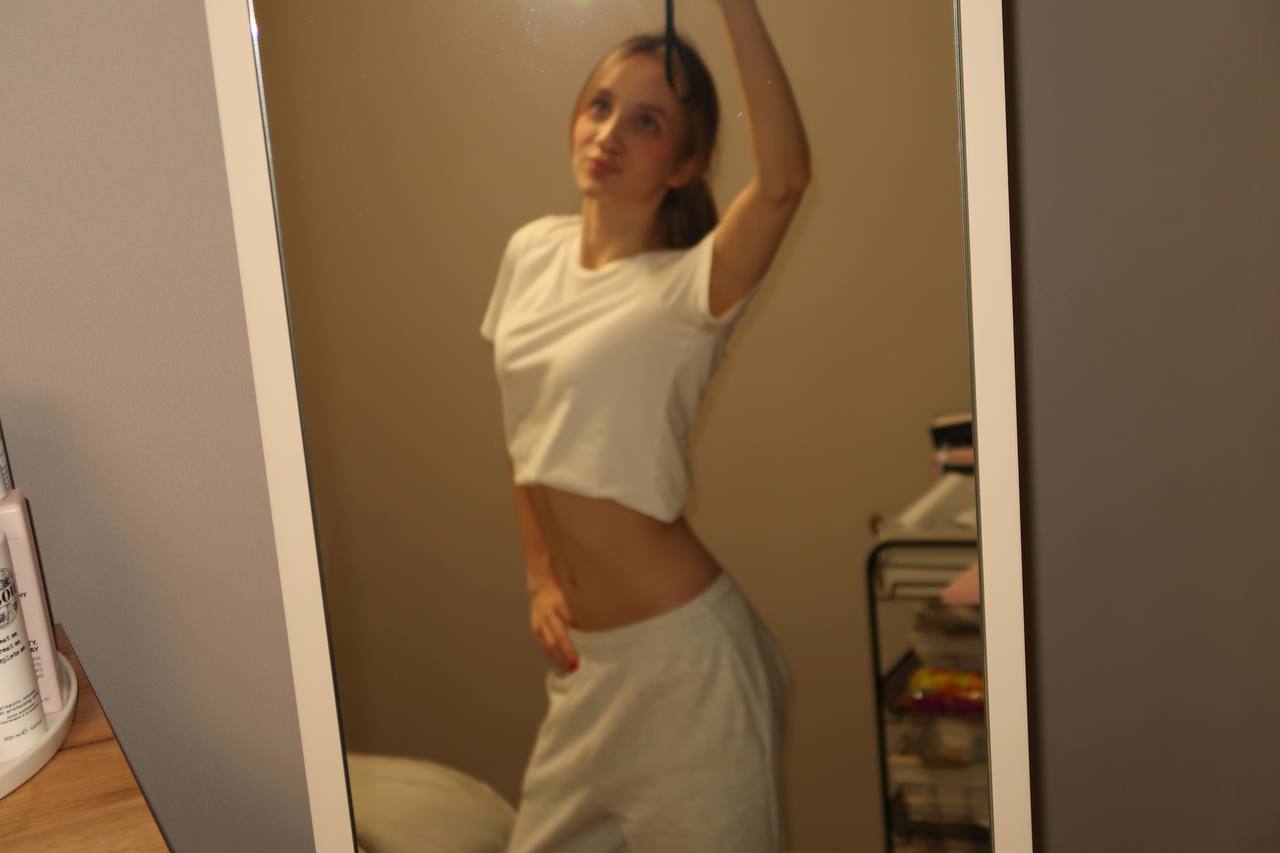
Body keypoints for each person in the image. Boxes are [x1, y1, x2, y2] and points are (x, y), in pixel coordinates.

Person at [480, 2, 810, 850]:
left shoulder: (687, 289)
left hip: (688, 671)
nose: (610, 133)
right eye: (601, 106)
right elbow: (526, 436)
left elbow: (783, 182)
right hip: (588, 675)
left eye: (648, 121)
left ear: (686, 163)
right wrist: (539, 575)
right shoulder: (530, 251)